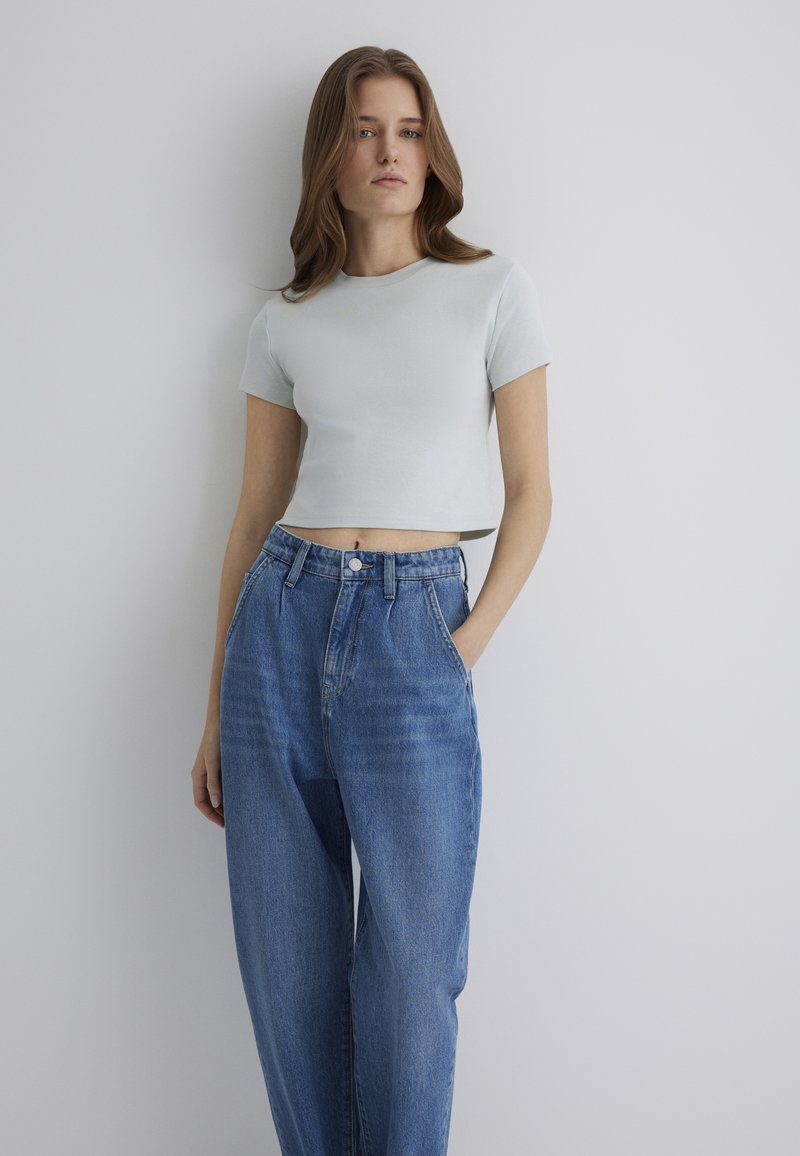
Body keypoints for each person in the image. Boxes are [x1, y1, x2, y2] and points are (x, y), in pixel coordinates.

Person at [191, 44, 553, 1156]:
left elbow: (533, 494)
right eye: (361, 130)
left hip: (415, 631)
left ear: (430, 153)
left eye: (404, 129)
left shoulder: (490, 288)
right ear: (330, 161)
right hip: (279, 628)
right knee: (287, 972)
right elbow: (250, 521)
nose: (386, 150)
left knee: (409, 967)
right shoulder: (285, 319)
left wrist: (463, 641)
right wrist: (213, 711)